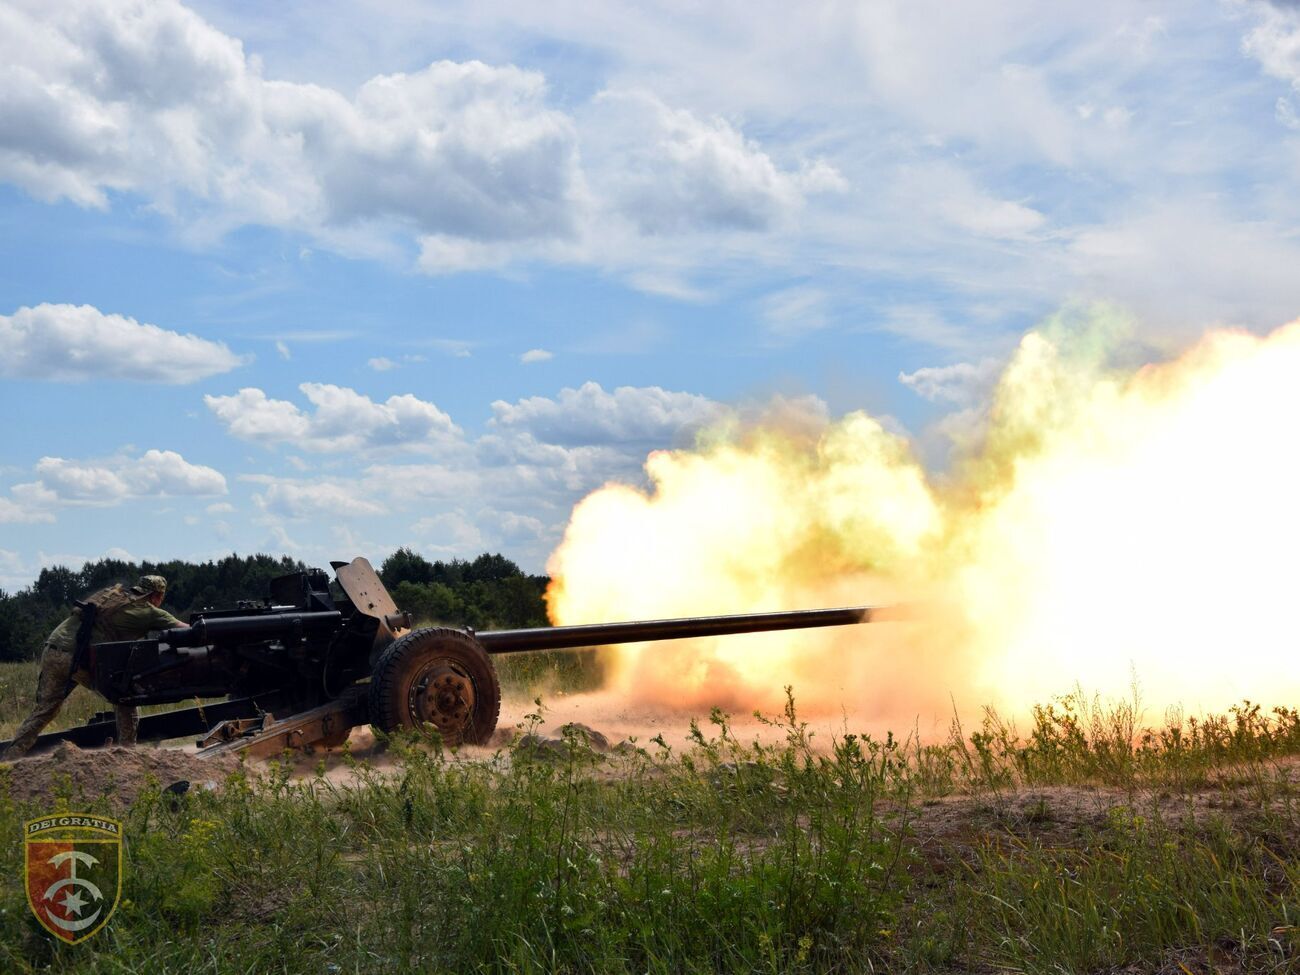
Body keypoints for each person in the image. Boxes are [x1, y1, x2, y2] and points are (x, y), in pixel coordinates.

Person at [2, 574, 190, 759]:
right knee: (125, 698)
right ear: (158, 595)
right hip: (79, 657)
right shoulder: (149, 611)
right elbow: (187, 630)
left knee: (45, 709)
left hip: (53, 648)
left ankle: (10, 759)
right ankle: (127, 757)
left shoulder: (112, 595)